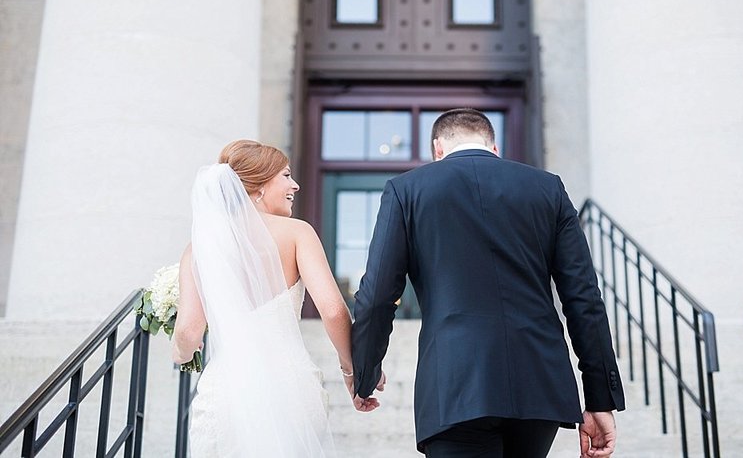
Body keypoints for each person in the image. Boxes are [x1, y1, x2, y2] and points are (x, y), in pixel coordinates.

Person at [351, 108, 625, 458]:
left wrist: (365, 371)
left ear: (437, 149)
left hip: (455, 382)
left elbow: (376, 296)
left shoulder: (406, 190)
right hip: (539, 383)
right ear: (494, 148)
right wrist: (600, 396)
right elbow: (583, 298)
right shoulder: (548, 188)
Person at [172, 139, 379, 457]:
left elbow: (188, 333)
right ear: (257, 188)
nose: (294, 185)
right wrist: (351, 371)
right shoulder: (297, 233)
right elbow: (335, 311)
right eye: (285, 175)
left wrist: (182, 356)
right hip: (291, 388)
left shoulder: (199, 249)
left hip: (225, 393)